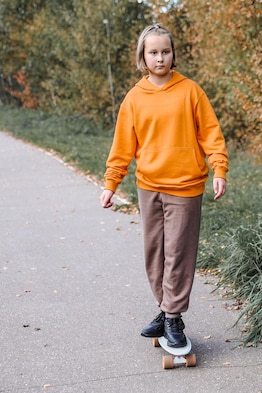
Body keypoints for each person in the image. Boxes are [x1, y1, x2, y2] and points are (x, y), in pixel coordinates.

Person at [99, 24, 228, 348]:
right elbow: (122, 146)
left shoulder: (191, 91)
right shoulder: (134, 98)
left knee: (178, 254)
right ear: (143, 57)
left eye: (165, 51)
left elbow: (210, 134)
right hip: (148, 186)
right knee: (154, 254)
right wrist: (111, 183)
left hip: (185, 186)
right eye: (153, 52)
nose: (160, 58)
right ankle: (167, 310)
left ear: (173, 54)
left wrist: (219, 169)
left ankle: (171, 317)